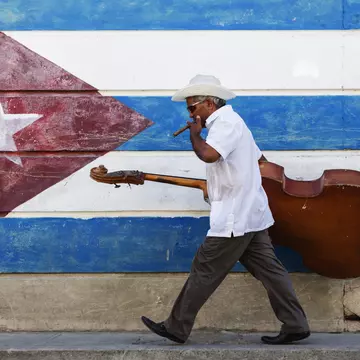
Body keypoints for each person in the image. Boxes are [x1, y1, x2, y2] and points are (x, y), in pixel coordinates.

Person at [141, 74, 310, 345]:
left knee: (205, 268)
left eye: (192, 107)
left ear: (209, 103)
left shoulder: (224, 124)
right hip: (251, 213)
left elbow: (210, 155)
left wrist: (195, 136)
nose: (190, 113)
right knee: (270, 270)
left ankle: (176, 327)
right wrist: (231, 180)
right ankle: (296, 324)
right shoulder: (235, 123)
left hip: (234, 217)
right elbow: (260, 159)